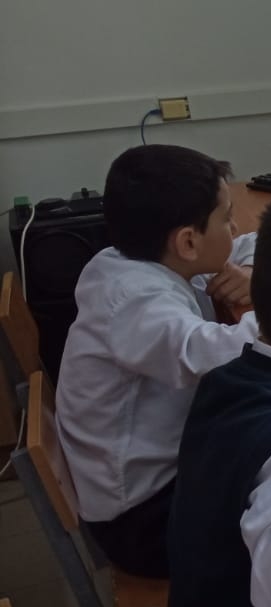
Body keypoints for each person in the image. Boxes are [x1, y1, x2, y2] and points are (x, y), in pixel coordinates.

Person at [56, 144, 257, 578]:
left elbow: (248, 244)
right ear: (187, 242)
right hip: (142, 522)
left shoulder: (135, 261)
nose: (235, 226)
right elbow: (216, 356)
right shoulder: (135, 301)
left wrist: (254, 273)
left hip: (150, 483)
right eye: (226, 217)